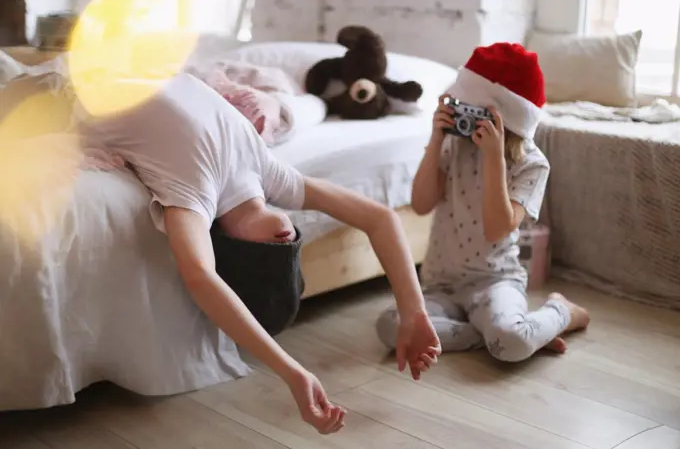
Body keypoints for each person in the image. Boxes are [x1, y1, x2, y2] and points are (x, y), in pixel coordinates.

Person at [76, 72, 442, 435]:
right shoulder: (269, 174)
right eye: (289, 249)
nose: (285, 238)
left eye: (270, 253)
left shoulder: (193, 197)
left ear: (234, 247)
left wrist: (292, 373)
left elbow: (201, 276)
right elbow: (378, 218)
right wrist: (413, 311)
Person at [376, 42, 590, 363]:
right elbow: (421, 204)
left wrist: (494, 158)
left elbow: (496, 228)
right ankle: (504, 335)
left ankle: (561, 312)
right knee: (389, 327)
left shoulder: (532, 164)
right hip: (440, 283)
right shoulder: (455, 143)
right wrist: (436, 139)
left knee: (511, 341)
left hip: (494, 281)